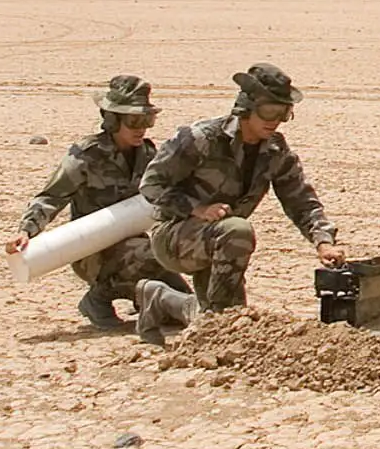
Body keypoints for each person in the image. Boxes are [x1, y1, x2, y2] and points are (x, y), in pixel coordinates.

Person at [140, 63, 342, 311]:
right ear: (247, 107)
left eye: (283, 113)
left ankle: (161, 299)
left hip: (222, 239)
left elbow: (301, 201)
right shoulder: (201, 138)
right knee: (237, 232)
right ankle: (219, 322)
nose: (275, 121)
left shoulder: (275, 150)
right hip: (174, 236)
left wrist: (323, 242)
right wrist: (198, 209)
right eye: (268, 111)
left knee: (224, 311)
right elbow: (151, 185)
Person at [6, 74, 184, 331]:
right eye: (133, 121)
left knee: (179, 297)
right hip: (91, 252)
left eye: (147, 120)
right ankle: (98, 298)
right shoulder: (87, 155)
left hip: (134, 246)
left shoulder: (146, 154)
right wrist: (26, 231)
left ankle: (143, 298)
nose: (141, 128)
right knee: (149, 255)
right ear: (112, 120)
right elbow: (51, 197)